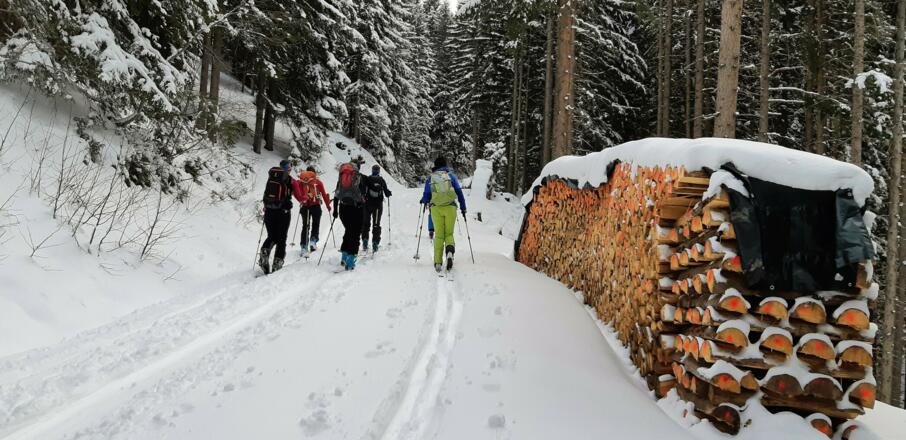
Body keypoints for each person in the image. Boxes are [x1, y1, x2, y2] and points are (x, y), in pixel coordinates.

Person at [420, 156, 466, 272]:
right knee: (449, 233)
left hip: (436, 209)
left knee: (439, 235)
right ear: (445, 165)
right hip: (450, 207)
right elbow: (459, 193)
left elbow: (426, 194)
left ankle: (438, 262)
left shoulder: (431, 178)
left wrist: (424, 201)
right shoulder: (451, 176)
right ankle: (450, 252)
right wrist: (463, 207)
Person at [259, 160, 295, 274]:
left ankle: (265, 252)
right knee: (282, 238)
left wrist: (266, 206)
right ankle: (277, 263)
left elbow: (266, 194)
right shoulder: (290, 180)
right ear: (289, 169)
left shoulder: (271, 177)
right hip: (283, 212)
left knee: (272, 236)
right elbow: (299, 195)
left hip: (269, 210)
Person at [333, 156, 367, 269]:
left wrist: (335, 211)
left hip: (343, 208)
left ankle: (344, 255)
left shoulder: (342, 178)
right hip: (356, 209)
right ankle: (351, 260)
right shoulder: (360, 177)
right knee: (355, 233)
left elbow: (337, 194)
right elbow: (364, 194)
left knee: (348, 231)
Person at [292, 166, 331, 255]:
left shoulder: (301, 182)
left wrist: (301, 201)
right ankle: (313, 241)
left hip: (305, 206)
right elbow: (324, 195)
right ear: (314, 174)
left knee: (305, 226)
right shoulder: (318, 182)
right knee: (315, 224)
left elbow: (296, 192)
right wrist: (328, 206)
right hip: (316, 206)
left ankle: (303, 246)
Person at [361, 164, 392, 252]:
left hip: (367, 205)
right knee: (376, 224)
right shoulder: (381, 180)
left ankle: (365, 240)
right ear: (378, 171)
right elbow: (386, 192)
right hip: (378, 206)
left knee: (366, 223)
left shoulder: (368, 179)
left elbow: (363, 191)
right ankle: (375, 243)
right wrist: (389, 193)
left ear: (372, 170)